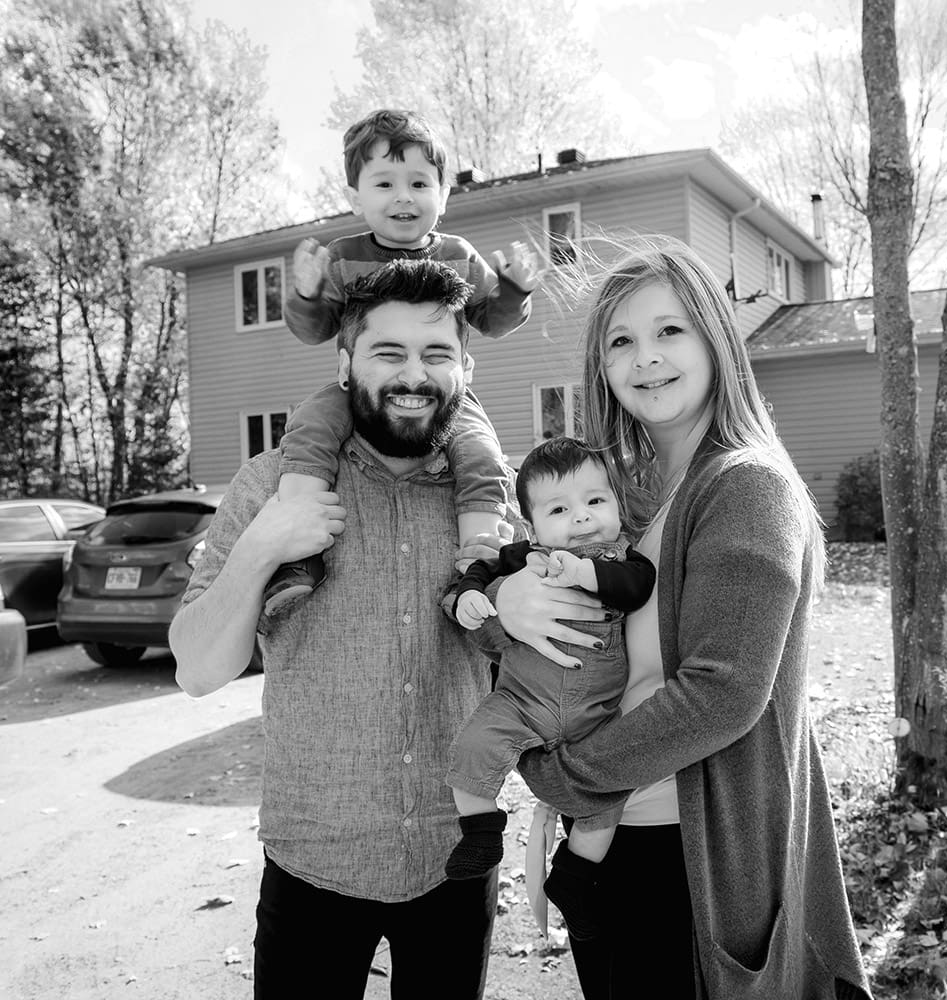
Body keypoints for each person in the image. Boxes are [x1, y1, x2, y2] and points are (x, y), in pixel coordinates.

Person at [489, 237, 873, 999]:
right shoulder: (624, 496)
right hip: (616, 841)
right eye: (621, 341)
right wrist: (505, 598)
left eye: (670, 331)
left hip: (687, 858)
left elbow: (722, 693)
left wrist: (560, 777)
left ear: (716, 340)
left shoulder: (743, 486)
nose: (646, 359)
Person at [169, 259, 533, 1000]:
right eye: (388, 353)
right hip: (313, 860)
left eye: (435, 354)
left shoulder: (493, 514)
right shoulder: (274, 484)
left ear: (465, 366)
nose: (414, 375)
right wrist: (265, 543)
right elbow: (198, 670)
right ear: (344, 363)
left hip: (456, 855)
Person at [265, 108, 540, 615]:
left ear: (444, 193)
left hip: (442, 398)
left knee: (481, 451)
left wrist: (517, 288)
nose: (403, 197)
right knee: (309, 428)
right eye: (384, 183)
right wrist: (305, 293)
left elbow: (492, 320)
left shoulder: (458, 254)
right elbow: (316, 330)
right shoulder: (343, 257)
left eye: (419, 182)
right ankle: (298, 551)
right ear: (355, 197)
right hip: (359, 392)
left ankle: (481, 561)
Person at [442, 437, 654, 937]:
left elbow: (636, 589)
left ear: (617, 505)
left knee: (607, 799)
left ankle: (575, 876)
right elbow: (480, 569)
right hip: (520, 702)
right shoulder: (524, 557)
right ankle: (481, 830)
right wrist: (470, 595)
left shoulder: (627, 559)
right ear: (531, 525)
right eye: (560, 509)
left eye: (595, 501)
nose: (581, 518)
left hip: (596, 716)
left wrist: (586, 571)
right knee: (471, 747)